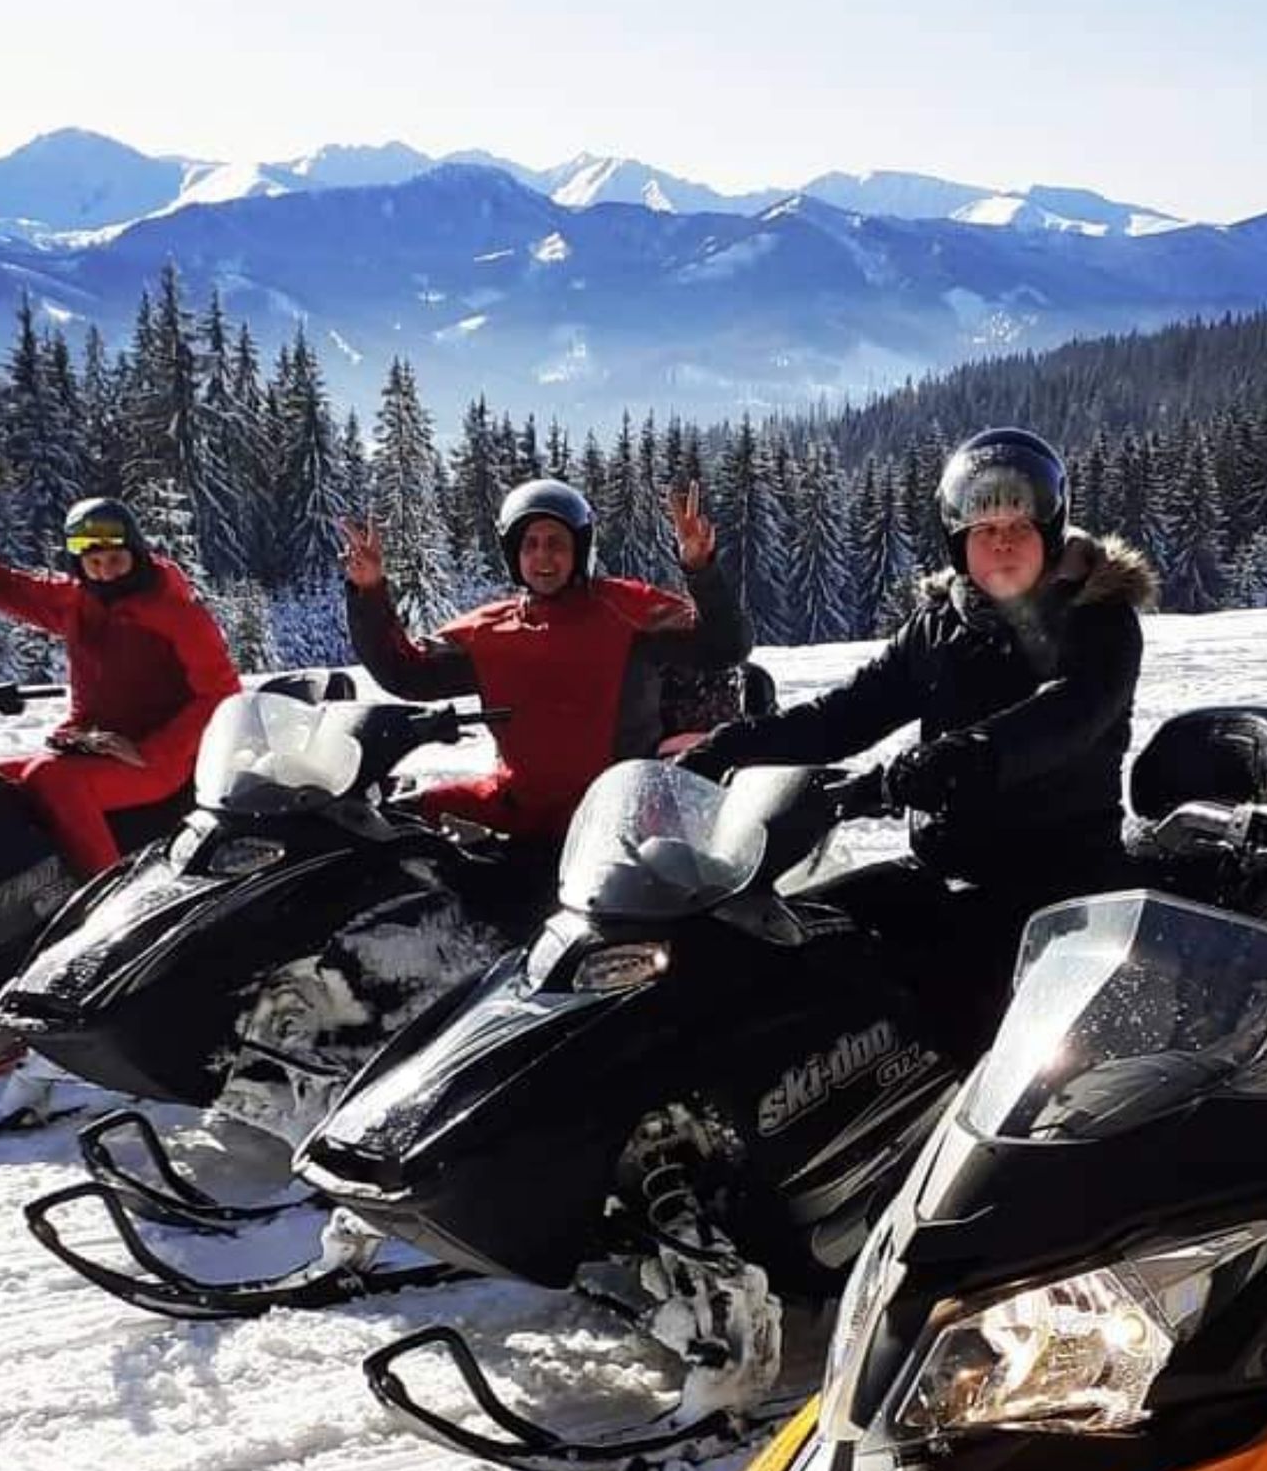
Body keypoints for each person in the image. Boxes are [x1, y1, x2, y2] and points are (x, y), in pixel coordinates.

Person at [678, 427, 1157, 1043]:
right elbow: (846, 713)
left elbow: (1068, 715)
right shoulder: (939, 624)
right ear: (959, 543)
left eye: (1018, 527)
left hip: (1061, 889)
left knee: (961, 1031)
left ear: (1051, 530)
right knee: (797, 945)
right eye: (984, 531)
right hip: (944, 868)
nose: (1002, 544)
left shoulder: (1099, 620)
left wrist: (950, 761)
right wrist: (729, 747)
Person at [340, 476, 750, 843]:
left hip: (620, 818)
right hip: (518, 810)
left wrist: (701, 570)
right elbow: (405, 672)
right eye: (530, 545)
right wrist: (369, 593)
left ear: (580, 550)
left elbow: (724, 647)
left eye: (556, 543)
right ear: (514, 555)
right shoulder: (488, 631)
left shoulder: (628, 611)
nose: (543, 557)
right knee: (388, 825)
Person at [0, 442, 241, 875]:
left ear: (136, 553)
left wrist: (153, 752)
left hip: (161, 761)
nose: (105, 571)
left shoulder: (177, 614)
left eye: (115, 559)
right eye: (93, 563)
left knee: (50, 781)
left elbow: (221, 695)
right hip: (92, 745)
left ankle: (105, 902)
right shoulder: (77, 602)